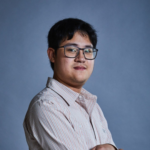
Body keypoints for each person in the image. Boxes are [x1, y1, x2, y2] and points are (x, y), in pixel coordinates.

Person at [23, 18, 123, 150]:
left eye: (88, 51)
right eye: (71, 50)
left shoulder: (93, 106)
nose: (81, 58)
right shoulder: (47, 106)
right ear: (52, 55)